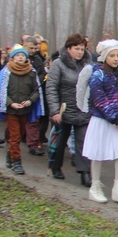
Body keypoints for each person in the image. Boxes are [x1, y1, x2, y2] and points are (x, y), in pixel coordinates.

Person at [81, 40, 118, 204]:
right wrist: (114, 117)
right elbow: (99, 99)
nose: (116, 59)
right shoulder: (97, 75)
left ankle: (117, 188)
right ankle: (95, 187)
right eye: (112, 55)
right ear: (104, 56)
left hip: (117, 121)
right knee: (97, 153)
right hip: (102, 120)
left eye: (117, 55)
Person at [0, 45, 44, 175]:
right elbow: (0, 91)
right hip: (11, 111)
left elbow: (36, 91)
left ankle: (9, 153)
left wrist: (30, 101)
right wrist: (11, 104)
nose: (20, 57)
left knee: (20, 134)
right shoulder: (6, 72)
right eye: (17, 55)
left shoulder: (31, 72)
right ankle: (17, 162)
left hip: (25, 110)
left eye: (23, 55)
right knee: (15, 136)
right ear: (12, 57)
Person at [46, 33, 93, 184]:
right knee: (60, 141)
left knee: (83, 141)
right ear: (69, 49)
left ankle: (85, 172)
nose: (80, 52)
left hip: (82, 111)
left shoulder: (88, 65)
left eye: (82, 49)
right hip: (63, 110)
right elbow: (51, 88)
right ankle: (56, 166)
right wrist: (54, 111)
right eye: (77, 49)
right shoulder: (58, 64)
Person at [23, 36, 47, 156]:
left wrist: (39, 80)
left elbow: (42, 72)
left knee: (33, 120)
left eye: (34, 48)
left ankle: (33, 144)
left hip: (35, 91)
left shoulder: (38, 59)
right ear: (24, 45)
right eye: (30, 48)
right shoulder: (20, 57)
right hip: (20, 92)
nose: (33, 50)